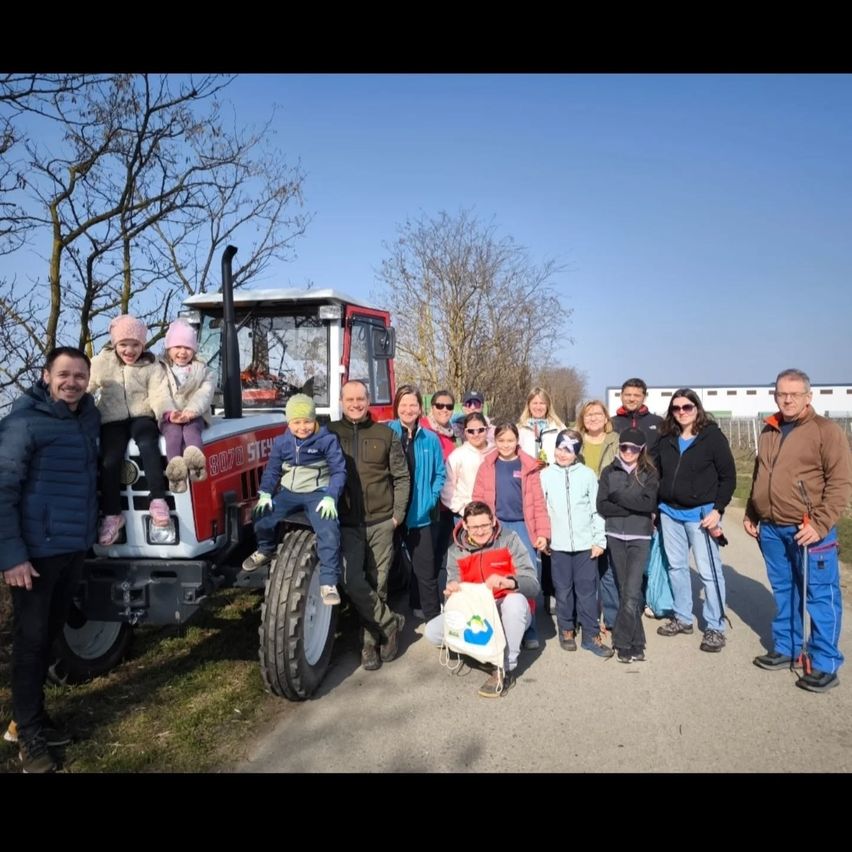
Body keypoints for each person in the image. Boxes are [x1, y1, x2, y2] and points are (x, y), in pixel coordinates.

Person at [0, 347, 100, 773]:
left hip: (72, 547)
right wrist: (12, 556)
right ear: (46, 376)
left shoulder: (86, 418)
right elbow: (2, 491)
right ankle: (29, 736)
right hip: (35, 554)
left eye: (80, 375)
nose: (71, 382)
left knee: (50, 637)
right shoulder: (23, 422)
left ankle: (29, 720)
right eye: (64, 374)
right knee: (30, 642)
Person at [745, 369, 852, 692]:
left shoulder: (825, 431)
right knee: (784, 590)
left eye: (794, 394)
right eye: (781, 393)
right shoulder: (769, 429)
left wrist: (820, 524)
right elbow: (760, 473)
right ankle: (788, 646)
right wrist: (752, 510)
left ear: (808, 396)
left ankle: (824, 662)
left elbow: (840, 482)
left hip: (808, 530)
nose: (787, 399)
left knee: (820, 594)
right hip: (772, 528)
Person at [329, 380, 410, 670]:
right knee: (352, 581)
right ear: (341, 401)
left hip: (381, 522)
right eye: (349, 399)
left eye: (360, 398)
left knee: (379, 582)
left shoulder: (385, 434)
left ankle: (369, 645)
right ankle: (390, 623)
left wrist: (397, 516)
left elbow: (401, 477)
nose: (355, 404)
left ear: (368, 400)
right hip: (347, 523)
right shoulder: (330, 433)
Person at [424, 501, 541, 697]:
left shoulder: (510, 539)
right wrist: (453, 590)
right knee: (432, 632)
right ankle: (486, 651)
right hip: (476, 613)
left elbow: (533, 584)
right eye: (474, 527)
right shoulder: (454, 551)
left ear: (493, 521)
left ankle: (505, 666)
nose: (479, 532)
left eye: (484, 526)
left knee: (515, 603)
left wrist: (508, 582)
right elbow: (454, 585)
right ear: (465, 526)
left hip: (507, 607)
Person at [242, 394, 346, 605]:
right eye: (296, 422)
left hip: (317, 493)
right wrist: (265, 493)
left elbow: (339, 471)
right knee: (261, 515)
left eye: (307, 421)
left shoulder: (327, 440)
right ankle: (265, 549)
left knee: (328, 528)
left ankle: (328, 582)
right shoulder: (283, 442)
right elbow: (272, 470)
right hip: (289, 493)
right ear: (289, 423)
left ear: (314, 419)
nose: (302, 427)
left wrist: (330, 496)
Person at [653, 389, 736, 652]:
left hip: (701, 516)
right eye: (676, 408)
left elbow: (728, 476)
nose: (681, 412)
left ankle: (715, 626)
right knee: (676, 567)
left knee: (709, 572)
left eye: (687, 407)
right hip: (669, 513)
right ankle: (682, 616)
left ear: (697, 408)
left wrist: (718, 509)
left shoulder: (712, 437)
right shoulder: (666, 438)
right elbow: (653, 469)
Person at [88, 314, 172, 545]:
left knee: (148, 444)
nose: (129, 350)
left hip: (142, 415)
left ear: (142, 345)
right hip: (112, 418)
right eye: (124, 344)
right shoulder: (101, 363)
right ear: (115, 344)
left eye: (135, 344)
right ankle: (113, 515)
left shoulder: (151, 365)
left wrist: (166, 413)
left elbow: (159, 393)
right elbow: (87, 385)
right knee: (110, 460)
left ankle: (158, 500)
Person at [472, 423, 549, 649]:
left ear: (517, 441)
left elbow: (538, 503)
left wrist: (543, 533)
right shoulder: (487, 465)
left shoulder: (528, 466)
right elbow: (477, 499)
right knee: (497, 576)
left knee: (527, 576)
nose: (506, 445)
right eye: (501, 440)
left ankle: (530, 628)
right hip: (496, 527)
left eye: (510, 440)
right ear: (495, 441)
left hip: (523, 526)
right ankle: (500, 626)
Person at [540, 429, 613, 658]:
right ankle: (567, 628)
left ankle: (591, 635)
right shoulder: (545, 475)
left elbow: (596, 510)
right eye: (560, 448)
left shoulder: (588, 475)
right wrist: (545, 537)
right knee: (563, 590)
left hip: (584, 546)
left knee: (586, 591)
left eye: (569, 450)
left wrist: (598, 540)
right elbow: (542, 509)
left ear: (576, 453)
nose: (563, 454)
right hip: (558, 546)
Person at [597, 428, 659, 663]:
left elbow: (649, 503)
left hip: (639, 537)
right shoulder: (608, 472)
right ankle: (637, 641)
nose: (628, 452)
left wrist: (619, 498)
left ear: (641, 450)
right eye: (624, 447)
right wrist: (634, 505)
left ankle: (622, 643)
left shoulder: (649, 473)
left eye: (634, 448)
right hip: (615, 535)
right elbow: (602, 505)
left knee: (632, 591)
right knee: (625, 590)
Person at [388, 385, 446, 623]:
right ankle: (383, 623)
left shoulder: (430, 438)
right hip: (390, 515)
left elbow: (440, 473)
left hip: (419, 514)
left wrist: (430, 499)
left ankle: (434, 621)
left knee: (426, 570)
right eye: (403, 405)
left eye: (413, 404)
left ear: (420, 408)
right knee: (383, 571)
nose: (408, 409)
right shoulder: (386, 432)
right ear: (396, 407)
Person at [576, 399, 622, 629]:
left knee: (608, 566)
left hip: (608, 507)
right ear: (582, 420)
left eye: (597, 413)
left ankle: (612, 617)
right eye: (588, 414)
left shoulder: (617, 442)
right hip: (582, 509)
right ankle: (587, 616)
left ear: (606, 418)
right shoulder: (575, 442)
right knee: (585, 566)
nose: (593, 418)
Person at [158, 318, 216, 492]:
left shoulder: (203, 370)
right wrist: (170, 413)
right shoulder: (160, 370)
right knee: (173, 434)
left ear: (194, 350)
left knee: (192, 430)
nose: (183, 352)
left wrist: (191, 411)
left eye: (187, 348)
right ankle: (176, 473)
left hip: (194, 414)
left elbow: (205, 393)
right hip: (170, 416)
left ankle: (196, 466)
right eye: (178, 347)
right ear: (169, 349)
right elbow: (160, 393)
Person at [420, 390, 459, 586]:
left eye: (449, 406)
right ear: (431, 407)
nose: (444, 409)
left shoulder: (453, 433)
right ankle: (420, 603)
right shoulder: (423, 429)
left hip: (447, 504)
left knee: (440, 553)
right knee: (426, 555)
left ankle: (433, 596)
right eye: (440, 405)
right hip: (429, 502)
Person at [440, 411, 493, 520]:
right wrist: (464, 510)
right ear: (465, 432)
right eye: (471, 431)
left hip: (494, 514)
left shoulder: (496, 451)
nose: (476, 434)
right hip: (466, 515)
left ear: (487, 429)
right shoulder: (457, 456)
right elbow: (447, 490)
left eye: (481, 430)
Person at [611, 378, 663, 454]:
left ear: (644, 398)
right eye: (628, 395)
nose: (632, 399)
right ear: (621, 396)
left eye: (637, 395)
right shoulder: (611, 423)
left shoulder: (658, 422)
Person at [517, 387, 567, 465]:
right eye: (535, 403)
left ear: (548, 406)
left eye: (542, 403)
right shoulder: (520, 429)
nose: (538, 407)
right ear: (529, 405)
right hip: (528, 475)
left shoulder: (559, 428)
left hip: (552, 474)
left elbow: (567, 453)